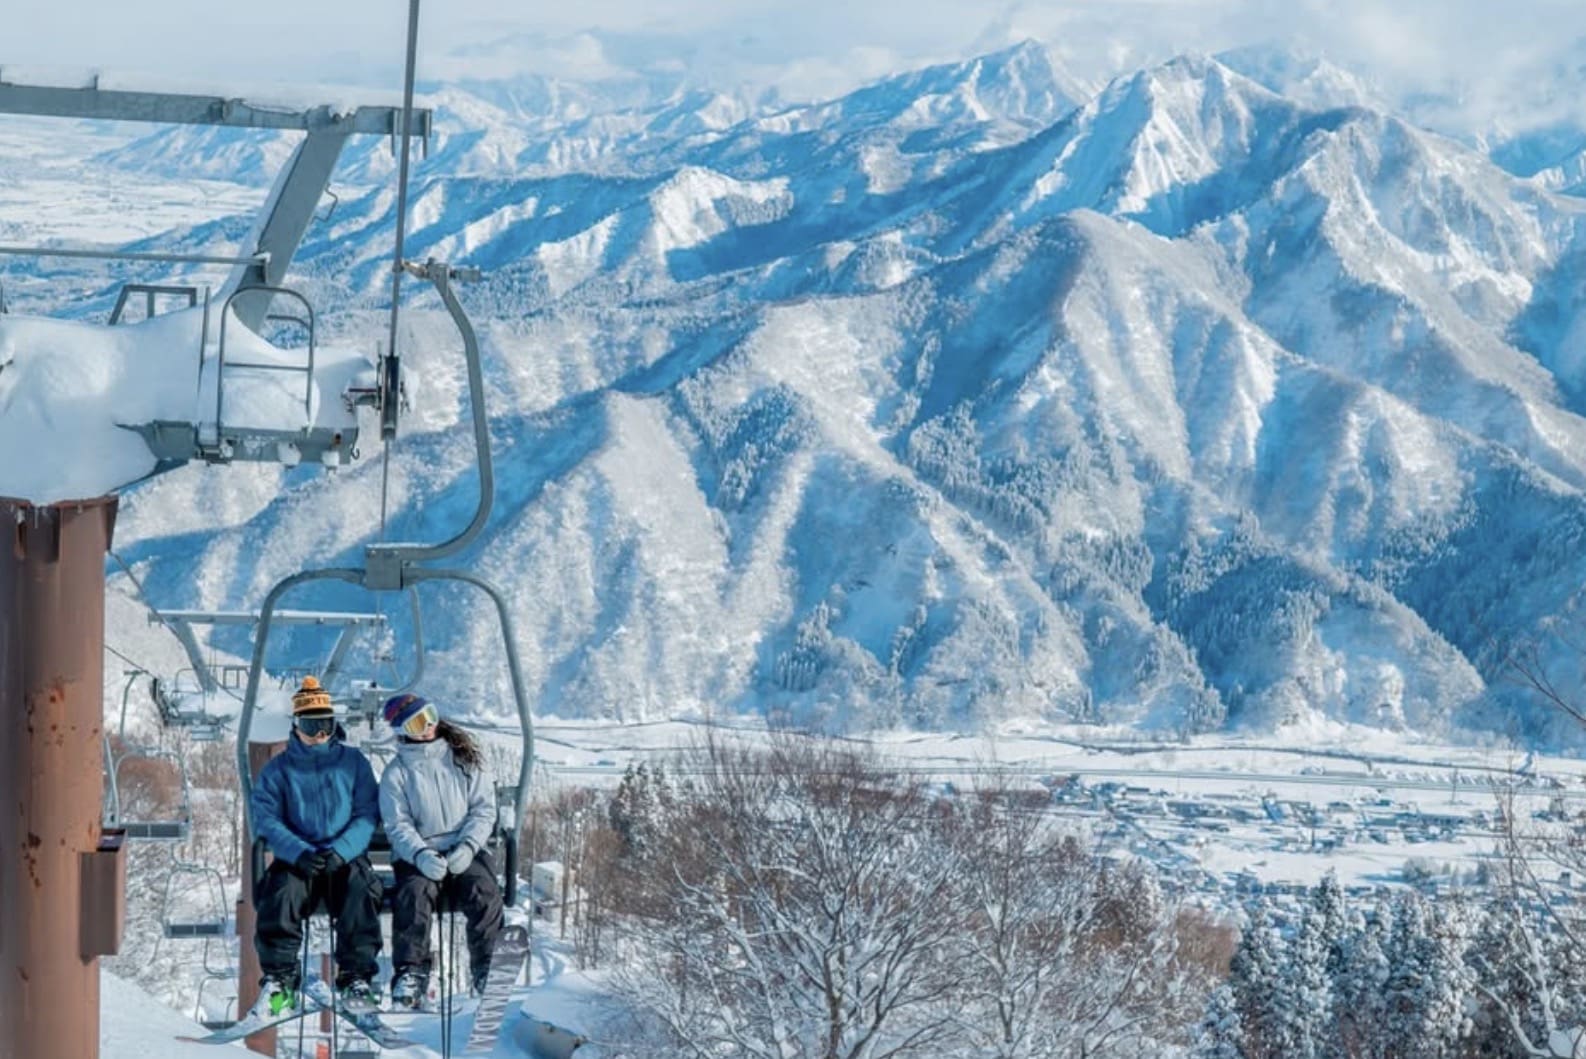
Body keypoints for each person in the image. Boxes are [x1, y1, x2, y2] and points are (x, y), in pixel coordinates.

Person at [250, 676, 384, 1016]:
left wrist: (343, 850)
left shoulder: (353, 763)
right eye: (311, 725)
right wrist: (298, 852)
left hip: (344, 856)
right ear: (296, 726)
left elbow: (366, 813)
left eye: (324, 724)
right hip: (300, 857)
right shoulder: (278, 770)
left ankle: (356, 976)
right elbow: (266, 819)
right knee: (281, 895)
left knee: (360, 890)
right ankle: (280, 978)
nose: (319, 734)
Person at [378, 692, 503, 1007]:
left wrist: (469, 844)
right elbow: (398, 825)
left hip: (465, 847)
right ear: (404, 730)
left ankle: (487, 966)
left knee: (483, 891)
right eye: (420, 721)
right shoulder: (397, 773)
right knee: (413, 896)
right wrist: (419, 854)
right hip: (419, 854)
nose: (430, 725)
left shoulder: (463, 758)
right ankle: (411, 972)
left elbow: (483, 809)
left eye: (431, 715)